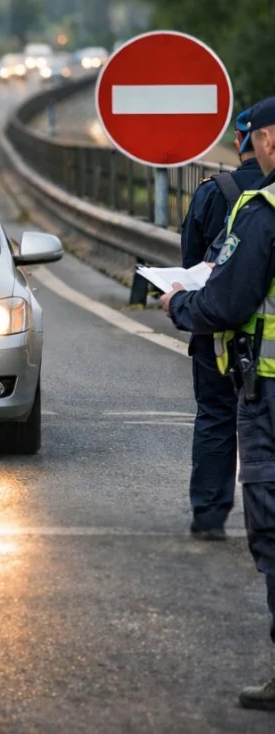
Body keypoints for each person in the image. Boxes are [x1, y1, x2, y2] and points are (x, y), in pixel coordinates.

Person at [161, 96, 275, 711]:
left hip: (244, 359)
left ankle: (210, 513)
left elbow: (208, 280)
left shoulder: (239, 202)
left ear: (255, 140)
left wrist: (181, 306)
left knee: (218, 424)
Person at [178, 107, 266, 542]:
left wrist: (181, 305)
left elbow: (190, 262)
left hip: (216, 334)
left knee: (215, 415)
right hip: (265, 348)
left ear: (241, 141)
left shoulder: (214, 192)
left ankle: (210, 516)